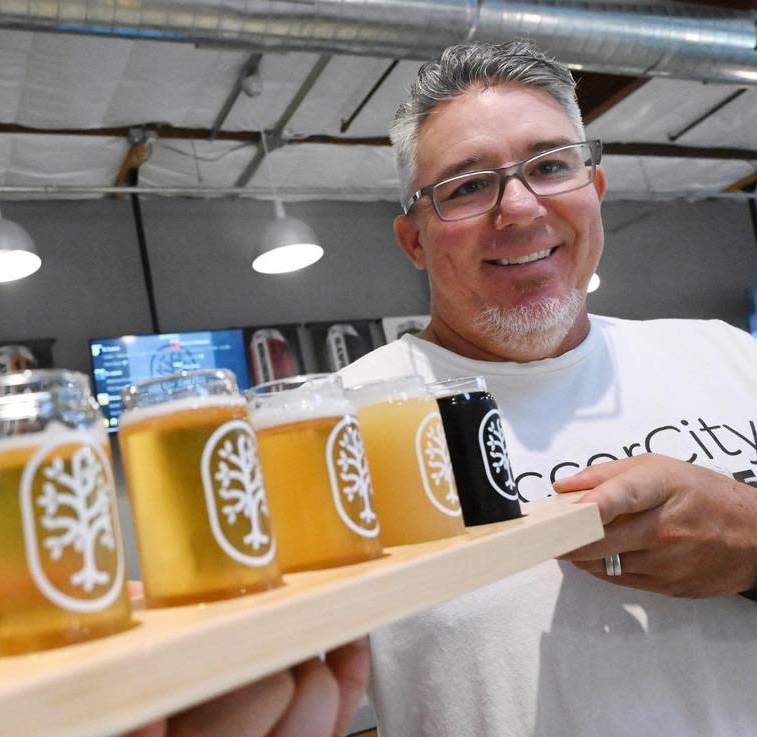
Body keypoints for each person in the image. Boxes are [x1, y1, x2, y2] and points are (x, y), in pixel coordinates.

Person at [130, 40, 757, 737]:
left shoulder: (728, 353)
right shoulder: (323, 433)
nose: (519, 208)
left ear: (595, 191)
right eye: (466, 186)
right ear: (415, 241)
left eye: (550, 165)